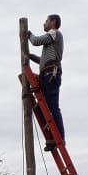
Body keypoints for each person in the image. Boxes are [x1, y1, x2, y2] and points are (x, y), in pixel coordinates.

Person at [28, 14, 65, 150]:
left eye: (46, 21)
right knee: (45, 106)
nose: (44, 23)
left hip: (51, 74)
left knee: (52, 106)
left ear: (53, 22)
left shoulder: (54, 33)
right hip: (47, 73)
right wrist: (31, 57)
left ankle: (59, 138)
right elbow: (43, 61)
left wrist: (28, 34)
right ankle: (52, 138)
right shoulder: (51, 42)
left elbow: (36, 41)